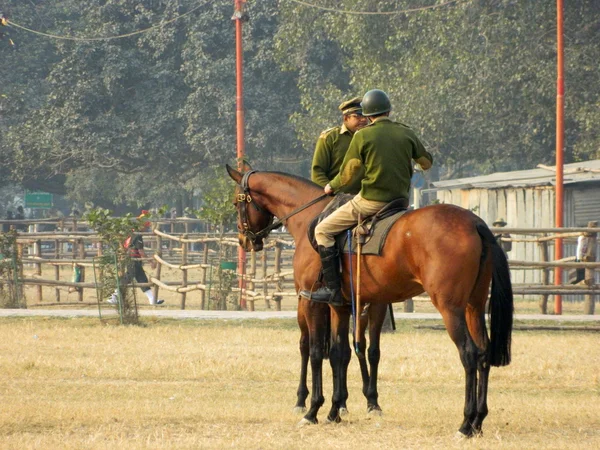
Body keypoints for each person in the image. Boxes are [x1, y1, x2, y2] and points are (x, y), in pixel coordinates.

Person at [300, 89, 433, 305]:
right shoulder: (406, 132)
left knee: (322, 230)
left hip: (370, 202)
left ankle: (333, 290)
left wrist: (330, 187)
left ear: (368, 115)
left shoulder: (363, 135)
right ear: (389, 110)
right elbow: (426, 163)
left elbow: (348, 172)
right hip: (400, 201)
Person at [311, 96, 368, 194]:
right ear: (346, 118)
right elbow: (317, 173)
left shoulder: (371, 137)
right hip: (334, 196)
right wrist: (331, 193)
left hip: (365, 197)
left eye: (365, 116)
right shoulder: (330, 137)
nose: (363, 120)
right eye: (358, 116)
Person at [107, 210, 164, 305]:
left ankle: (152, 300)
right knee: (127, 278)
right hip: (133, 260)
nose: (146, 228)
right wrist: (150, 261)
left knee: (142, 280)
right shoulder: (137, 235)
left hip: (133, 260)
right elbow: (141, 252)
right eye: (146, 226)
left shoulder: (132, 233)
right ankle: (115, 296)